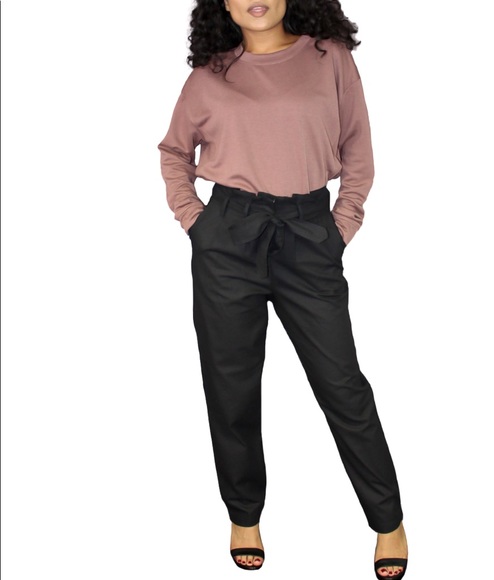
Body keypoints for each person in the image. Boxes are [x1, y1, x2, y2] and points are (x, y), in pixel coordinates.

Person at [158, 0, 409, 577]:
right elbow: (174, 152)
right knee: (231, 388)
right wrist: (196, 221)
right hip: (229, 236)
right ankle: (244, 515)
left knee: (342, 385)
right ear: (222, 3)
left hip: (308, 234)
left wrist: (341, 225)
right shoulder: (209, 75)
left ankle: (388, 519)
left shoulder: (329, 57)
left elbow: (357, 146)